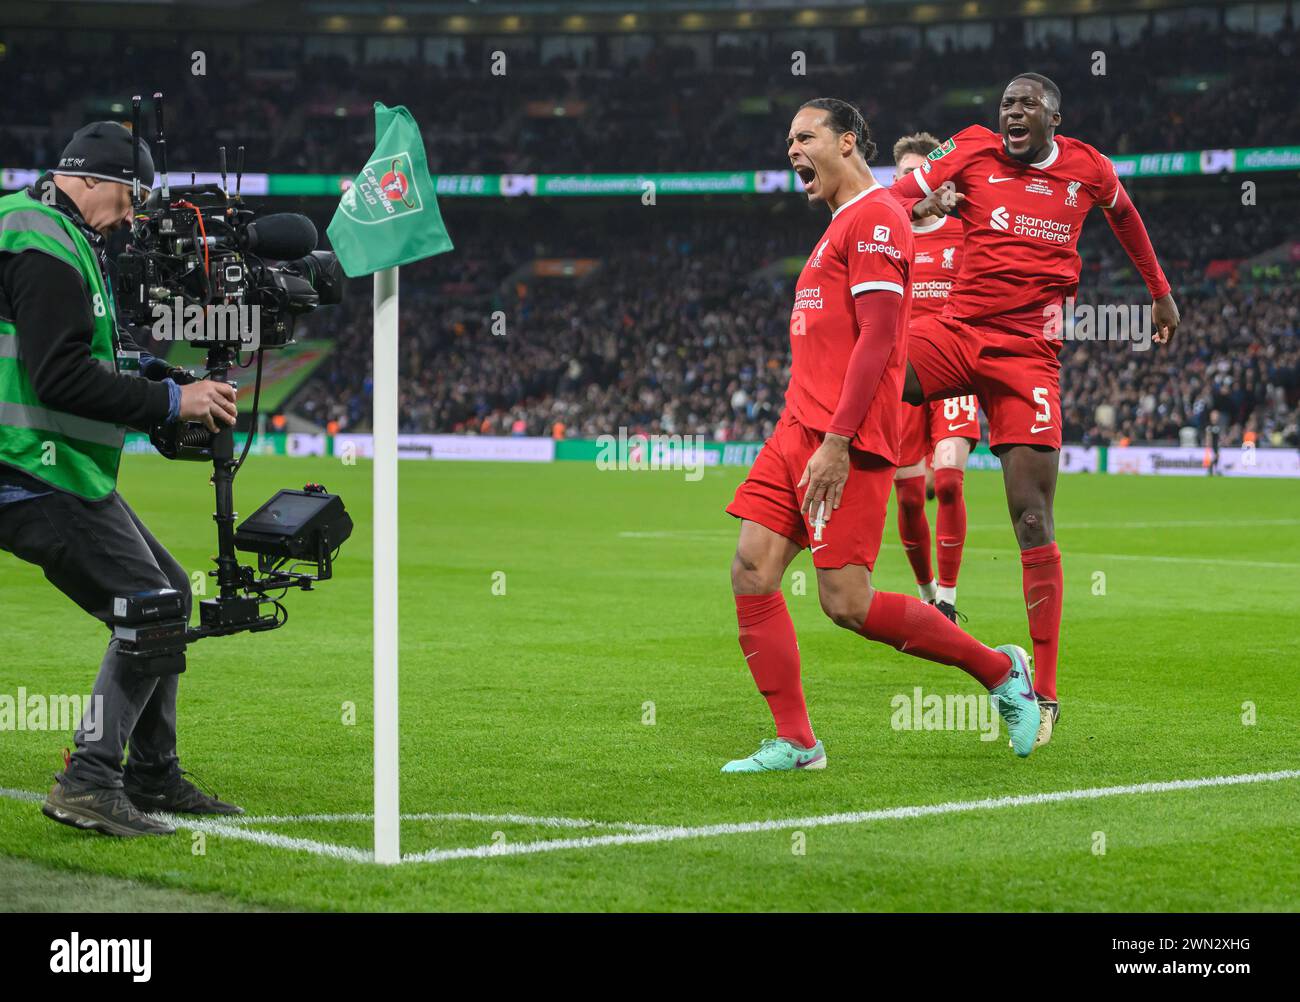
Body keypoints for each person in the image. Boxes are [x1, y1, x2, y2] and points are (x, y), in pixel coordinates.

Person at [721, 98, 1040, 773]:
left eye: (804, 137)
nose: (791, 150)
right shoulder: (845, 222)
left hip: (847, 437)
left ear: (847, 143)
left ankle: (1000, 670)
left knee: (847, 603)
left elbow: (879, 339)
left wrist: (838, 442)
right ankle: (798, 743)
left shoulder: (872, 220)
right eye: (788, 140)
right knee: (752, 569)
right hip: (795, 430)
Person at [889, 73, 1180, 749]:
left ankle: (1041, 689)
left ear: (1054, 116)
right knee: (878, 373)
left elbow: (1127, 216)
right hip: (957, 331)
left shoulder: (1088, 168)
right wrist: (862, 222)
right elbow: (902, 194)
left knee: (1030, 515)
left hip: (1030, 355)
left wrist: (1159, 293)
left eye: (1026, 105)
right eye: (1006, 105)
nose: (1013, 112)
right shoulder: (972, 149)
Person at [0, 121, 244, 836]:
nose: (134, 216)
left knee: (165, 594)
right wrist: (174, 401)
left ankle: (151, 774)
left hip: (50, 465)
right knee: (154, 607)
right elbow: (60, 376)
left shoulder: (49, 231)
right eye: (131, 198)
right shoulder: (40, 239)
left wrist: (157, 373)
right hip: (31, 466)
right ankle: (89, 780)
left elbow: (84, 351)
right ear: (92, 179)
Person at [890, 132, 978, 622]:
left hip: (952, 371)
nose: (910, 181)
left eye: (918, 172)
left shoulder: (964, 235)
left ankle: (947, 599)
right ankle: (926, 598)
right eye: (902, 174)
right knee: (906, 495)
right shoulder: (886, 235)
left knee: (946, 482)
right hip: (900, 378)